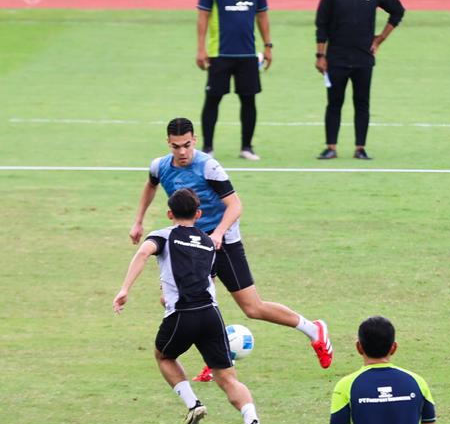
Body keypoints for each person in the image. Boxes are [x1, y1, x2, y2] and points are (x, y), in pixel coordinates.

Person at [130, 117, 333, 382]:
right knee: (177, 300)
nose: (182, 152)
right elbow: (151, 185)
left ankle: (313, 330)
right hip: (190, 243)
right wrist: (138, 221)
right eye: (176, 146)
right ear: (168, 143)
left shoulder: (209, 167)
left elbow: (235, 205)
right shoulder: (159, 166)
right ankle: (215, 357)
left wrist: (218, 233)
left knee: (252, 308)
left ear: (195, 140)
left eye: (187, 145)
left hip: (223, 242)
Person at [114, 188, 262, 424]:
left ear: (170, 214)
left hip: (182, 313)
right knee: (227, 377)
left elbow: (143, 252)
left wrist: (125, 289)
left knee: (164, 356)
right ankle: (252, 421)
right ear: (199, 214)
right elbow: (207, 281)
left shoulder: (163, 236)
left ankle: (194, 404)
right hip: (211, 314)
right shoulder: (208, 243)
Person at [314, 0, 405, 161]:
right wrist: (320, 55)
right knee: (334, 103)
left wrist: (380, 39)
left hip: (364, 59)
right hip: (336, 59)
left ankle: (360, 148)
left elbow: (398, 10)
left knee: (362, 104)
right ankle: (331, 147)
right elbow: (321, 24)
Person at [196, 0, 273, 161]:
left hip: (248, 53)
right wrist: (201, 48)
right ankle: (208, 148)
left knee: (248, 100)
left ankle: (246, 148)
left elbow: (262, 16)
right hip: (219, 53)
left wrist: (268, 46)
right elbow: (203, 16)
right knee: (213, 99)